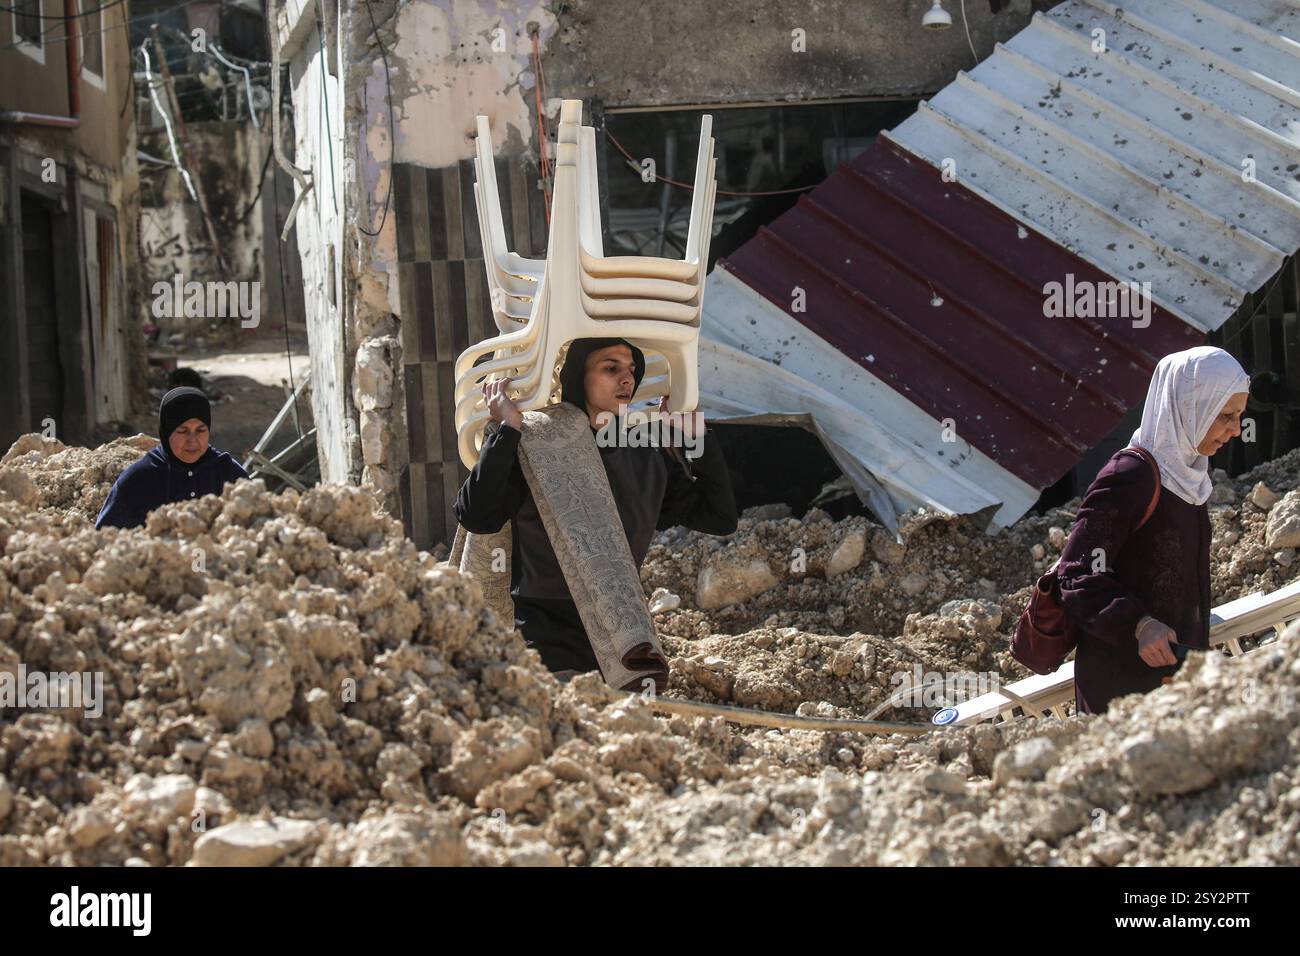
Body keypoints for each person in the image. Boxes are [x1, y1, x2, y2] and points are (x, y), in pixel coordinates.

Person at [454, 337, 738, 678]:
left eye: (631, 369)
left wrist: (698, 436)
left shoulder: (644, 457)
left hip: (617, 629)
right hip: (545, 629)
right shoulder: (537, 445)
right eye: (610, 368)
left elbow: (719, 518)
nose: (627, 379)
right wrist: (506, 429)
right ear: (578, 377)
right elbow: (477, 515)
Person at [1056, 346, 1250, 714]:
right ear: (1190, 405)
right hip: (1122, 694)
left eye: (1240, 416)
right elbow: (1077, 574)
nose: (1236, 429)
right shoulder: (1130, 477)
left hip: (1172, 686)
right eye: (1226, 415)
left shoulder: (1189, 478)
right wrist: (1140, 625)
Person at [96, 386, 249, 530]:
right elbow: (103, 539)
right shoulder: (138, 480)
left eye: (200, 430)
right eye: (183, 431)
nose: (192, 440)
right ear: (166, 431)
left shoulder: (230, 475)